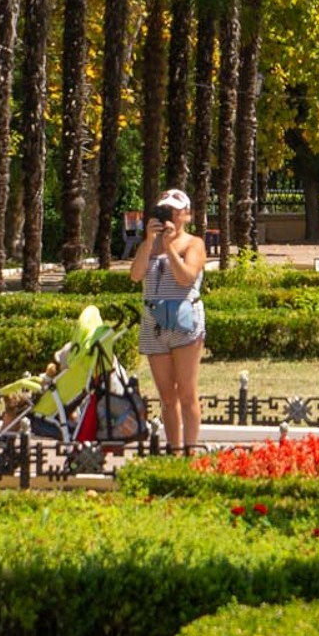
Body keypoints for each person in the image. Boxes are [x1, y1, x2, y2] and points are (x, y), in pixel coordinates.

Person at [129, 188, 207, 450]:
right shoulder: (149, 245)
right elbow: (136, 275)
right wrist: (150, 242)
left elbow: (186, 276)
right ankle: (173, 449)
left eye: (174, 211)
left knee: (186, 392)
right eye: (164, 211)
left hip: (184, 321)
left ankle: (191, 449)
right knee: (166, 395)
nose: (169, 216)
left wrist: (170, 248)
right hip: (154, 322)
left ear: (186, 215)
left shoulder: (193, 243)